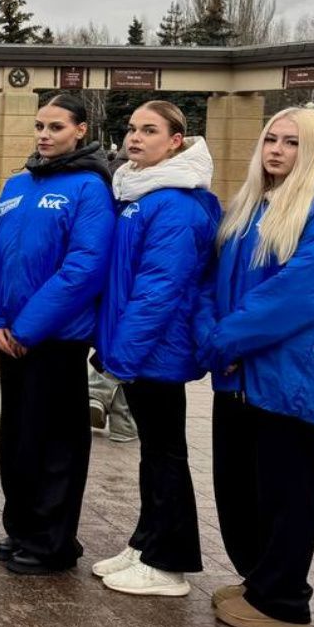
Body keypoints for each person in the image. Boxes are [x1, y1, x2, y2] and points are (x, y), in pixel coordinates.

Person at [197, 107, 314, 627]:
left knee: (285, 491)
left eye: (292, 143)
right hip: (236, 375)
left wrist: (226, 339)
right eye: (271, 139)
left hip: (283, 377)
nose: (277, 150)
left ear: (313, 152)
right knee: (239, 485)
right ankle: (258, 580)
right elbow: (210, 284)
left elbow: (298, 295)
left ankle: (285, 600)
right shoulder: (246, 210)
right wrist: (213, 336)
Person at [0, 93, 115, 575]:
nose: (44, 135)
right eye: (40, 126)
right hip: (11, 338)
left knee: (55, 443)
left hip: (55, 339)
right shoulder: (18, 183)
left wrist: (29, 327)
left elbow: (84, 267)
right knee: (17, 438)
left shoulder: (90, 187)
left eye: (56, 127)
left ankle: (52, 541)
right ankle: (22, 528)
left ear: (80, 130)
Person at [90, 102, 220, 597]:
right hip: (140, 349)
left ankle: (170, 563)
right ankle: (146, 542)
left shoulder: (176, 204)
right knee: (154, 453)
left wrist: (121, 358)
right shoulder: (140, 191)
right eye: (131, 129)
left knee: (166, 455)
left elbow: (158, 290)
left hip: (156, 352)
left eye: (149, 130)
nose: (135, 138)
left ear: (176, 141)